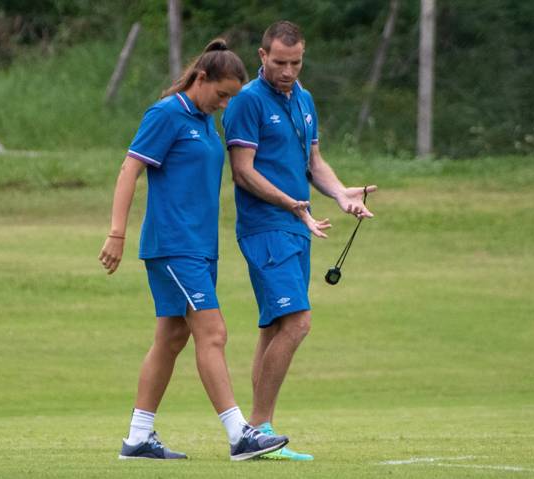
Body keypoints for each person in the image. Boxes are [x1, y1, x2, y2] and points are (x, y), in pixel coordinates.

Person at [98, 38, 288, 461]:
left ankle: (138, 437)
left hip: (200, 248)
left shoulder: (205, 122)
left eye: (230, 98)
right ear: (201, 78)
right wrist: (117, 232)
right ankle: (240, 433)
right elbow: (130, 168)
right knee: (213, 333)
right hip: (174, 246)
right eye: (220, 94)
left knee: (171, 338)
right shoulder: (167, 114)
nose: (224, 104)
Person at [222, 21, 377, 461]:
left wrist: (341, 193)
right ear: (261, 56)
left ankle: (254, 432)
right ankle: (259, 429)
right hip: (266, 226)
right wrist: (292, 203)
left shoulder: (304, 99)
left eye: (296, 62)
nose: (288, 71)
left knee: (274, 326)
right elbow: (243, 171)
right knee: (298, 323)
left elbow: (314, 160)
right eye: (280, 62)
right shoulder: (247, 102)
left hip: (296, 225)